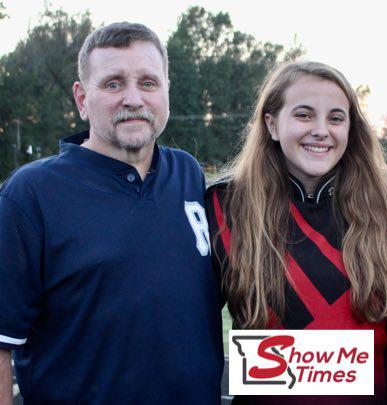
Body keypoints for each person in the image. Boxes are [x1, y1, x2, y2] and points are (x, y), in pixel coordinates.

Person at [0, 22, 223, 403]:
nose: (133, 98)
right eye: (114, 83)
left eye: (148, 83)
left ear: (167, 91)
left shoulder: (187, 173)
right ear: (82, 99)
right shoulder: (30, 194)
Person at [206, 61, 387, 404]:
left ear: (351, 129)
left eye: (335, 118)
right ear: (271, 124)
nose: (321, 130)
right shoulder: (222, 207)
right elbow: (186, 331)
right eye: (304, 115)